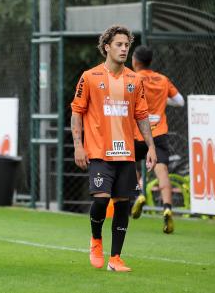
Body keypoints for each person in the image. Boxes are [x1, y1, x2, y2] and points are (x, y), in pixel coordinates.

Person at [70, 25, 156, 272]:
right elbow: (77, 112)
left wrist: (150, 147)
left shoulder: (134, 79)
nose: (124, 49)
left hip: (126, 153)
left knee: (122, 204)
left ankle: (115, 258)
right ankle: (96, 239)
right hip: (98, 152)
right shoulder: (89, 77)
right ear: (107, 47)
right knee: (101, 200)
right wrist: (78, 146)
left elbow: (142, 116)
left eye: (127, 45)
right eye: (118, 44)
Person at [129, 45, 184, 234]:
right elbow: (180, 101)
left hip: (137, 133)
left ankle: (138, 194)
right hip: (158, 134)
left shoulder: (133, 78)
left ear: (135, 61)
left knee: (130, 165)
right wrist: (162, 101)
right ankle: (167, 207)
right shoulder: (162, 79)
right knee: (162, 172)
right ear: (150, 61)